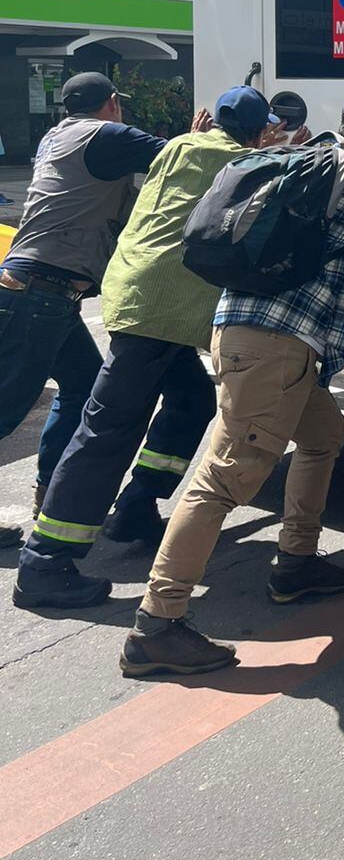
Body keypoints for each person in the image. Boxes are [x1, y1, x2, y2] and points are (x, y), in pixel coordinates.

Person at [117, 84, 344, 676]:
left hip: (266, 339)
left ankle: (296, 563)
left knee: (324, 432)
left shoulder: (306, 158)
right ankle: (156, 624)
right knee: (223, 480)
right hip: (271, 347)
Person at [13, 89, 286, 610]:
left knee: (191, 399)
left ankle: (136, 507)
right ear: (255, 132)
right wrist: (270, 147)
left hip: (139, 295)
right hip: (164, 306)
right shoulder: (242, 161)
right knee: (109, 427)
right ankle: (45, 562)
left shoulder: (182, 146)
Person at [0, 73, 187, 548]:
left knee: (83, 383)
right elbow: (181, 156)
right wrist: (204, 134)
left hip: (42, 291)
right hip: (41, 292)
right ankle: (52, 496)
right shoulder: (105, 134)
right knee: (7, 408)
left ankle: (50, 494)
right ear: (113, 104)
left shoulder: (57, 137)